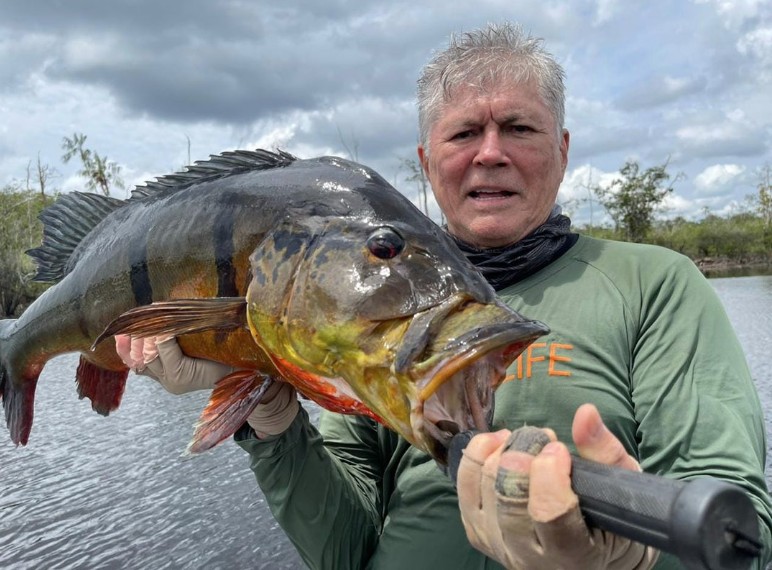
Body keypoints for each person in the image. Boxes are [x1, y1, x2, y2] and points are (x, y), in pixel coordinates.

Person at [117, 22, 772, 569]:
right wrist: (273, 423)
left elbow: (741, 529)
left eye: (520, 128)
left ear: (563, 151)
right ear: (427, 165)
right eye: (464, 134)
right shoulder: (356, 305)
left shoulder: (654, 283)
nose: (491, 154)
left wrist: (636, 560)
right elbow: (344, 551)